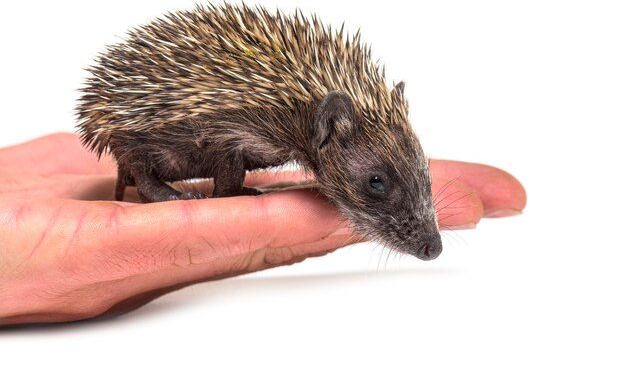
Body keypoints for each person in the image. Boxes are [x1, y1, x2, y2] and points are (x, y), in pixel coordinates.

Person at [0, 133, 526, 326]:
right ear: (329, 128)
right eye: (377, 184)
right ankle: (145, 177)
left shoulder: (319, 137)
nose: (424, 237)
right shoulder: (260, 132)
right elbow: (230, 151)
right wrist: (226, 192)